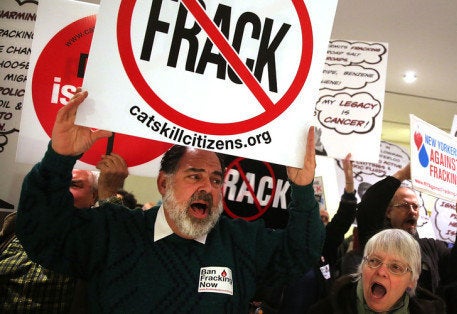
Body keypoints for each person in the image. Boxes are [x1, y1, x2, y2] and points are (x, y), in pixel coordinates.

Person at [15, 89, 324, 313]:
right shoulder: (113, 229)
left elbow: (300, 253)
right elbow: (43, 233)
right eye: (194, 176)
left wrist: (302, 189)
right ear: (164, 182)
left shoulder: (241, 241)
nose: (208, 187)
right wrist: (58, 159)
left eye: (216, 180)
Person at [1, 156, 127, 313]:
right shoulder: (13, 228)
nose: (62, 192)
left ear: (93, 196)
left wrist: (108, 193)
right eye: (56, 185)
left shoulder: (94, 240)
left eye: (74, 185)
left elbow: (118, 246)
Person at [356, 163, 457, 295]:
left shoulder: (431, 248)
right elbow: (368, 208)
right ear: (388, 212)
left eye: (415, 207)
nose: (412, 211)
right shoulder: (378, 241)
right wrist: (402, 174)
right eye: (404, 205)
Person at [276, 153, 359, 313]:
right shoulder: (285, 244)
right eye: (316, 217)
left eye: (324, 219)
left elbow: (344, 217)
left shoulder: (324, 248)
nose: (320, 221)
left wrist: (349, 180)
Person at [308, 228, 446, 313]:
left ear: (412, 280)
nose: (381, 271)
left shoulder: (432, 311)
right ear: (362, 267)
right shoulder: (325, 310)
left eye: (395, 267)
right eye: (374, 261)